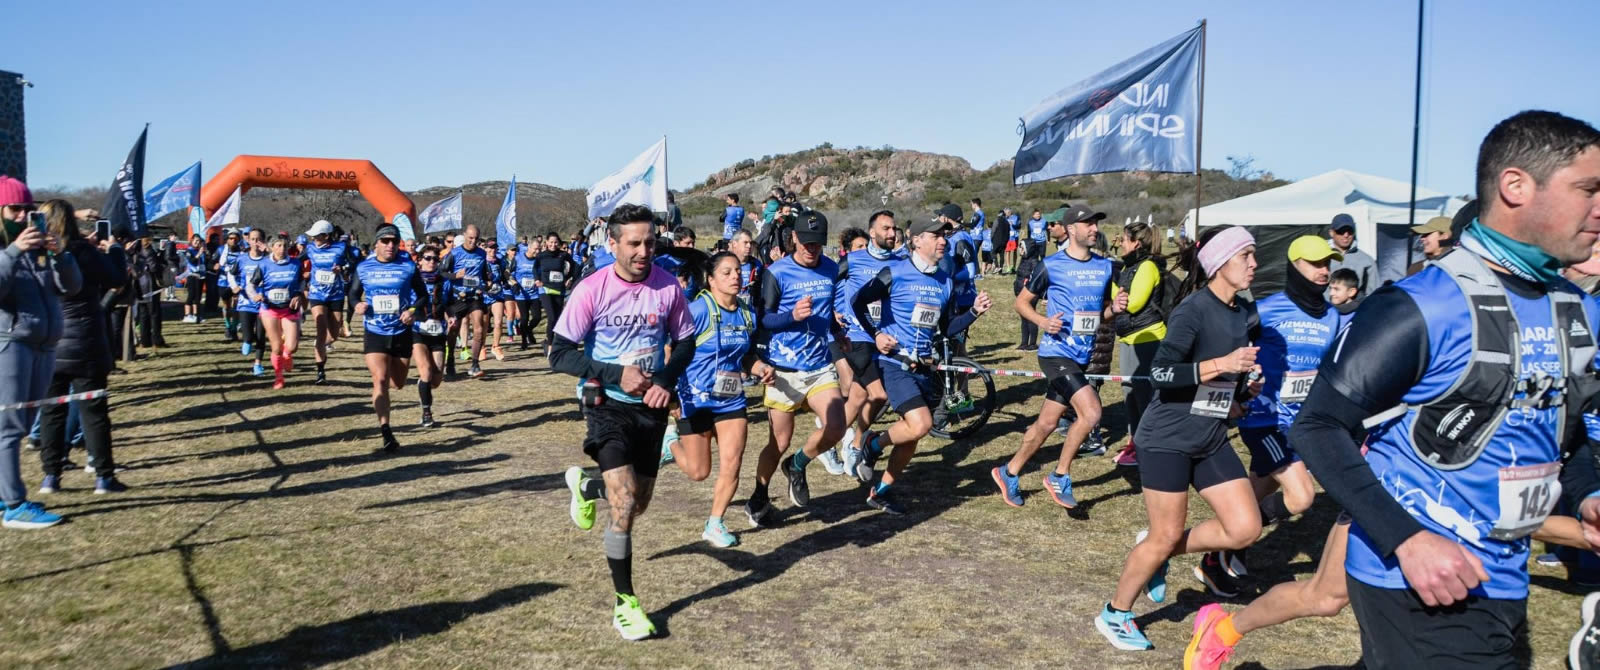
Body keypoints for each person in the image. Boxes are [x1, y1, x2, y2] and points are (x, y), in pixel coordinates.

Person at [1267, 111, 1600, 669]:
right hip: (1414, 577)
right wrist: (1407, 539)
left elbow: (1566, 433)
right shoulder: (1424, 305)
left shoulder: (1577, 310)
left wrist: (1588, 494)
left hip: (1503, 573)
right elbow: (1317, 426)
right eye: (1588, 190)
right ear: (1515, 186)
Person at [1097, 225, 1263, 652]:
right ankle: (1115, 613)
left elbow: (1226, 381)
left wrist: (1244, 390)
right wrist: (1218, 364)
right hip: (1167, 436)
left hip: (1210, 435)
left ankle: (1158, 552)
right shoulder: (1193, 309)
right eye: (1246, 256)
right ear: (1221, 262)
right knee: (1164, 534)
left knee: (1245, 527)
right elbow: (1162, 374)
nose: (1254, 264)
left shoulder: (1243, 311)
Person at [552, 204, 695, 641]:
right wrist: (615, 374)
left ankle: (587, 487)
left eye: (649, 242)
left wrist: (666, 380)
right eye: (633, 243)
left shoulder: (668, 287)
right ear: (612, 243)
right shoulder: (591, 289)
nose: (643, 250)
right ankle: (626, 604)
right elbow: (559, 353)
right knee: (626, 501)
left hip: (650, 406)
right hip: (606, 404)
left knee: (638, 502)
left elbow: (686, 341)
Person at [850, 215, 992, 514]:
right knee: (922, 423)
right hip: (893, 363)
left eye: (945, 236)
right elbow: (858, 302)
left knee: (913, 435)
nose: (943, 241)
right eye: (936, 235)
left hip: (925, 367)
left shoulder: (944, 281)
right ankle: (872, 445)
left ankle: (882, 491)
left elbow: (946, 328)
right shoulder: (895, 272)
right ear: (916, 240)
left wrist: (974, 313)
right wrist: (876, 335)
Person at [1225, 236, 1344, 581]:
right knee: (1303, 496)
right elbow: (1230, 347)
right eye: (1316, 263)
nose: (1324, 271)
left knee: (1255, 495)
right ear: (1295, 266)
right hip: (1263, 418)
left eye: (1328, 263)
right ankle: (1215, 542)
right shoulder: (1265, 309)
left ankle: (1224, 548)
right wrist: (1234, 391)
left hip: (1301, 423)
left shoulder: (1333, 317)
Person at [993, 205, 1113, 509]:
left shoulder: (1105, 267)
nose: (1094, 229)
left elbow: (1102, 315)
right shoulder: (1051, 265)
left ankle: (1009, 472)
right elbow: (1022, 303)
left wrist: (1116, 310)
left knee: (1046, 424)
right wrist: (1043, 322)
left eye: (1096, 224)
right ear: (1071, 229)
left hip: (1082, 354)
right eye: (1088, 224)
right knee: (1091, 413)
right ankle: (1060, 475)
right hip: (1056, 353)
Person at [665, 251, 775, 547]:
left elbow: (747, 357)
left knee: (733, 462)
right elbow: (670, 350)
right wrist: (670, 393)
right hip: (696, 400)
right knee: (699, 472)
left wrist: (761, 368)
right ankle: (670, 442)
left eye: (738, 271)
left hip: (731, 400)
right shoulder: (697, 311)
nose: (735, 277)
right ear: (710, 280)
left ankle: (715, 523)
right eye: (726, 272)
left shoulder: (747, 314)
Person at [745, 210, 847, 524]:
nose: (811, 249)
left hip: (818, 365)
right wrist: (793, 317)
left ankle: (798, 465)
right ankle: (760, 494)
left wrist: (838, 330)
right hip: (783, 370)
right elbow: (764, 319)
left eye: (817, 244)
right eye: (805, 242)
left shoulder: (831, 269)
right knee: (779, 441)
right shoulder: (777, 272)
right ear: (793, 239)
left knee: (836, 427)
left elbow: (828, 312)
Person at [0, 178, 80, 528]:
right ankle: (14, 503)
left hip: (45, 345)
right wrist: (14, 251)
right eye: (13, 209)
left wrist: (60, 254)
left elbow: (72, 287)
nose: (22, 216)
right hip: (11, 343)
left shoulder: (41, 249)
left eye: (27, 209)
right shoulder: (10, 249)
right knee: (8, 427)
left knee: (23, 425)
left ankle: (6, 495)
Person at [35, 199, 126, 494]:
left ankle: (51, 475)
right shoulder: (83, 252)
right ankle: (103, 475)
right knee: (94, 410)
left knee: (52, 411)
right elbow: (116, 278)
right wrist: (113, 250)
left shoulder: (36, 255)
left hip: (49, 341)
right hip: (85, 340)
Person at [828, 212, 904, 477]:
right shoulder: (853, 259)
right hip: (857, 336)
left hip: (882, 336)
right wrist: (831, 315)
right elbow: (829, 285)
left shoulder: (899, 262)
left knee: (859, 395)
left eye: (894, 228)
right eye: (886, 228)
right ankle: (857, 444)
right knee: (879, 394)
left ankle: (829, 438)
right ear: (873, 233)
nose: (892, 233)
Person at [348, 224, 431, 452]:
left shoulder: (407, 266)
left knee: (398, 383)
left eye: (394, 241)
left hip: (401, 331)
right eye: (385, 241)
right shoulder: (364, 268)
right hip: (375, 331)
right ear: (376, 243)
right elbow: (353, 295)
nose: (390, 245)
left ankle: (387, 424)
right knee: (381, 379)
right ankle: (386, 431)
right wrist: (358, 305)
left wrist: (412, 312)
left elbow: (423, 296)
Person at [1110, 220, 1170, 467]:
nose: (1120, 244)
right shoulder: (1129, 267)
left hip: (1147, 338)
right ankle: (1135, 441)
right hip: (1127, 337)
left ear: (1135, 242)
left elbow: (1132, 304)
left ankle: (1149, 444)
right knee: (1129, 393)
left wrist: (1112, 290)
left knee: (1143, 394)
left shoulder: (1147, 267)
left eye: (1124, 239)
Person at [244, 235, 304, 389]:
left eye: (284, 246)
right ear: (271, 247)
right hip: (269, 309)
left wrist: (298, 294)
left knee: (291, 346)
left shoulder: (295, 263)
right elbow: (250, 286)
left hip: (289, 309)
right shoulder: (264, 264)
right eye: (278, 246)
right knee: (276, 346)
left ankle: (288, 355)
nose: (282, 249)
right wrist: (255, 296)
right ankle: (279, 377)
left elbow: (302, 282)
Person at [304, 219, 357, 385]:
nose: (314, 239)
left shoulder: (341, 248)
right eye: (312, 236)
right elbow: (294, 260)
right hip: (317, 294)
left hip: (336, 295)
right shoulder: (310, 248)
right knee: (321, 331)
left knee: (333, 334)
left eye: (317, 236)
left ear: (326, 236)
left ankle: (321, 344)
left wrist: (343, 269)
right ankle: (320, 372)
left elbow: (354, 262)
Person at [440, 224, 492, 378]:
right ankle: (450, 360)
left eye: (476, 238)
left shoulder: (482, 254)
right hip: (457, 297)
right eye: (470, 238)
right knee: (453, 330)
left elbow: (483, 273)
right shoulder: (454, 254)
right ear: (464, 236)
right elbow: (441, 272)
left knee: (478, 328)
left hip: (475, 296)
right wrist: (456, 276)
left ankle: (475, 364)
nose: (473, 241)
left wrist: (487, 281)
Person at [410, 243, 449, 428]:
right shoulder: (412, 279)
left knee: (436, 379)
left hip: (438, 332)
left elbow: (450, 302)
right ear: (420, 260)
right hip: (418, 330)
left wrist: (453, 316)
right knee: (425, 371)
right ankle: (426, 413)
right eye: (428, 258)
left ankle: (423, 386)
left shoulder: (443, 281)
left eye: (435, 259)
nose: (432, 262)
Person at [1327, 213, 1377, 299]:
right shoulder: (1322, 256)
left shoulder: (1366, 260)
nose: (1346, 235)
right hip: (1324, 309)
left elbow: (1373, 292)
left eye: (1350, 231)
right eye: (1341, 231)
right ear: (1331, 233)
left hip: (1354, 310)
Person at [217, 229, 243, 342]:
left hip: (237, 282)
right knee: (227, 307)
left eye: (235, 238)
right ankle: (227, 326)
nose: (233, 240)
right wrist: (218, 267)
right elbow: (212, 263)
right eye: (231, 238)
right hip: (223, 281)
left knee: (236, 306)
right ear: (227, 239)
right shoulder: (220, 250)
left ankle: (233, 329)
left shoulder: (242, 251)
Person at [180, 234, 207, 323]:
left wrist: (204, 253)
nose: (197, 242)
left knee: (198, 296)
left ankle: (196, 315)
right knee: (191, 295)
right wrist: (199, 254)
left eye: (199, 241)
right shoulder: (189, 251)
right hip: (192, 275)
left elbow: (205, 262)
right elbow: (192, 261)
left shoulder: (201, 251)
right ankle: (187, 315)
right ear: (192, 241)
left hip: (201, 275)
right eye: (195, 240)